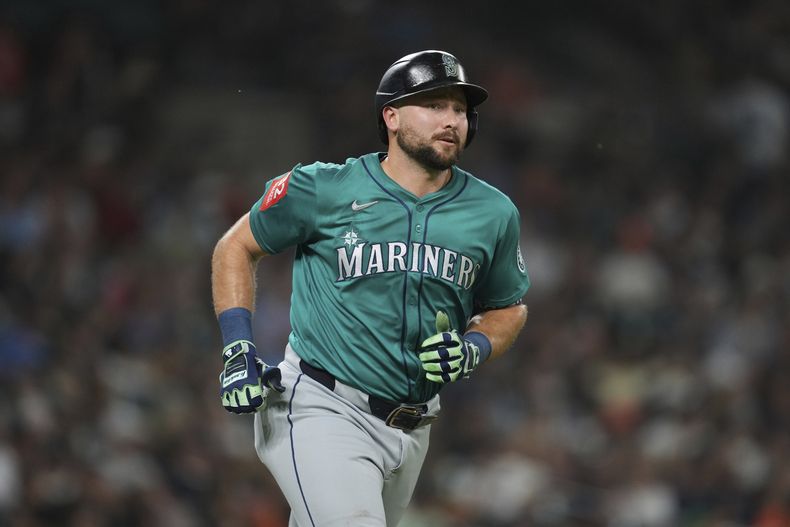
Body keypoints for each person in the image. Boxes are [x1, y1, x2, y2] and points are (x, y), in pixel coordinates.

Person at [211, 49, 530, 526]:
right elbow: (235, 247)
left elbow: (509, 307)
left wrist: (472, 349)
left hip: (415, 424)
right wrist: (238, 347)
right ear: (392, 116)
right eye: (435, 105)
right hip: (322, 405)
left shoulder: (493, 212)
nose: (451, 120)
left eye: (460, 110)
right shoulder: (324, 188)